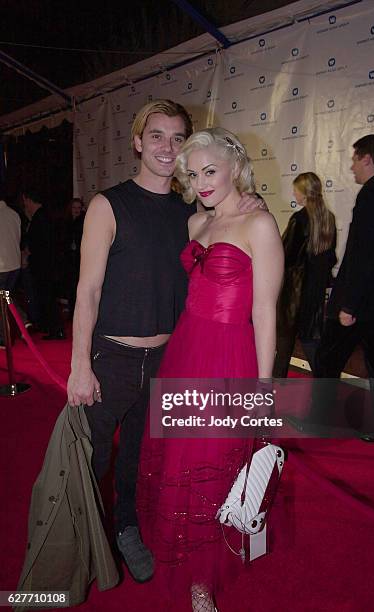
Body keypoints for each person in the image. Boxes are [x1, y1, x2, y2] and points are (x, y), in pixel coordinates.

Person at [66, 100, 264, 586]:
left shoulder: (193, 211)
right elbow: (87, 291)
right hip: (110, 357)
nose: (167, 146)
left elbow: (229, 234)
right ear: (137, 141)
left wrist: (249, 202)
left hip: (168, 360)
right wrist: (78, 365)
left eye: (178, 138)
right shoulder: (108, 204)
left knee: (137, 458)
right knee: (90, 458)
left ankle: (128, 530)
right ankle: (81, 544)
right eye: (156, 135)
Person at [138, 127, 284, 611]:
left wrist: (263, 390)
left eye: (210, 171)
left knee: (213, 465)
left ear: (235, 167)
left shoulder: (259, 225)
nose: (200, 182)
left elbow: (265, 311)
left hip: (228, 355)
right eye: (193, 173)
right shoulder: (194, 224)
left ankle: (202, 578)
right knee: (180, 457)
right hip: (185, 349)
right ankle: (178, 550)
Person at [315, 134, 374, 451]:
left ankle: (322, 422)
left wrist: (349, 304)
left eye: (354, 159)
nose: (351, 166)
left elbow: (363, 256)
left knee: (326, 359)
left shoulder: (370, 196)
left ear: (367, 159)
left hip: (358, 303)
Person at [273, 172, 336, 377]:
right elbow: (330, 257)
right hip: (315, 290)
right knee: (311, 341)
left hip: (294, 290)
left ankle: (272, 386)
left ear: (304, 193)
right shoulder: (328, 218)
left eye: (296, 189)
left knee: (284, 342)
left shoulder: (299, 219)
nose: (293, 193)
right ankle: (324, 382)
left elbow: (285, 255)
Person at [23, 189, 65, 340]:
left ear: (28, 200)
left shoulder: (40, 218)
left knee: (47, 298)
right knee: (46, 297)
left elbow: (39, 244)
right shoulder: (42, 216)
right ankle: (50, 327)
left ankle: (55, 329)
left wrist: (28, 255)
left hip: (44, 267)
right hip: (46, 266)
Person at [0, 184, 21, 346]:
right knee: (7, 297)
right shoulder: (14, 214)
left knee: (3, 302)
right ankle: (22, 321)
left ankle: (4, 337)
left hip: (2, 267)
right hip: (14, 265)